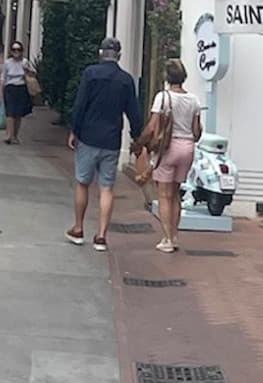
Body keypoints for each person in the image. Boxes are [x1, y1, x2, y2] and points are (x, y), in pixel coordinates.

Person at [66, 35, 142, 253]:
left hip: (89, 136)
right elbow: (133, 113)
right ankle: (101, 236)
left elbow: (80, 104)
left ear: (100, 53)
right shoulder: (126, 80)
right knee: (107, 187)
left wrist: (74, 130)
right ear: (119, 55)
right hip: (111, 139)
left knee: (82, 182)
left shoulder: (91, 74)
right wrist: (137, 137)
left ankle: (79, 228)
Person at [143, 57, 205, 252]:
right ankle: (175, 235)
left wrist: (142, 142)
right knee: (176, 194)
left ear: (167, 76)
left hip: (168, 148)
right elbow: (196, 132)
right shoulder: (194, 100)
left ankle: (167, 239)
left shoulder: (163, 97)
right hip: (187, 149)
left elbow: (153, 126)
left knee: (163, 194)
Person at [0, 39, 34, 144]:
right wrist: (0, 93)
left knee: (18, 114)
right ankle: (9, 135)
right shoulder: (7, 63)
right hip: (10, 88)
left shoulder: (25, 62)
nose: (16, 52)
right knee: (10, 112)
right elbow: (3, 78)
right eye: (14, 50)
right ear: (11, 51)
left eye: (18, 50)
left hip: (21, 88)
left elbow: (33, 74)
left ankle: (15, 135)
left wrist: (27, 70)